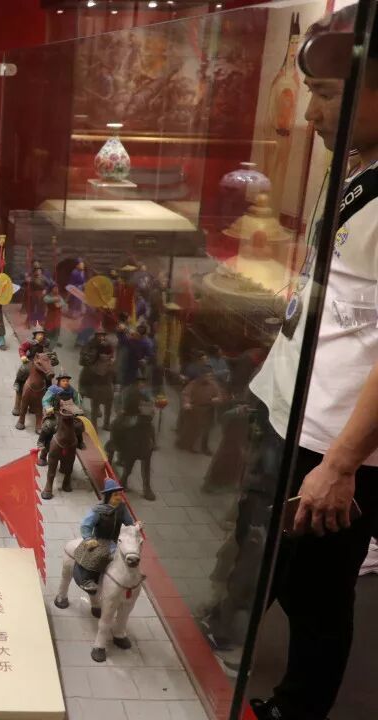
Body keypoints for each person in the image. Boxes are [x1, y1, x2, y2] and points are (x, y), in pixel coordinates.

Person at [246, 12, 378, 717]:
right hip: (298, 412)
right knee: (289, 578)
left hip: (335, 440)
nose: (311, 112)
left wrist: (343, 462)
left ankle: (296, 708)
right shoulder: (358, 165)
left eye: (326, 93)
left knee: (319, 594)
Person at [73, 478, 134, 592]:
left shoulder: (122, 508)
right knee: (99, 554)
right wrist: (88, 539)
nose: (119, 497)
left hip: (116, 540)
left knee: (130, 554)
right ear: (108, 496)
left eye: (119, 494)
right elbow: (86, 525)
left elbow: (129, 523)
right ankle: (87, 580)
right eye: (115, 495)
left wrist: (135, 526)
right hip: (100, 539)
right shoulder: (98, 510)